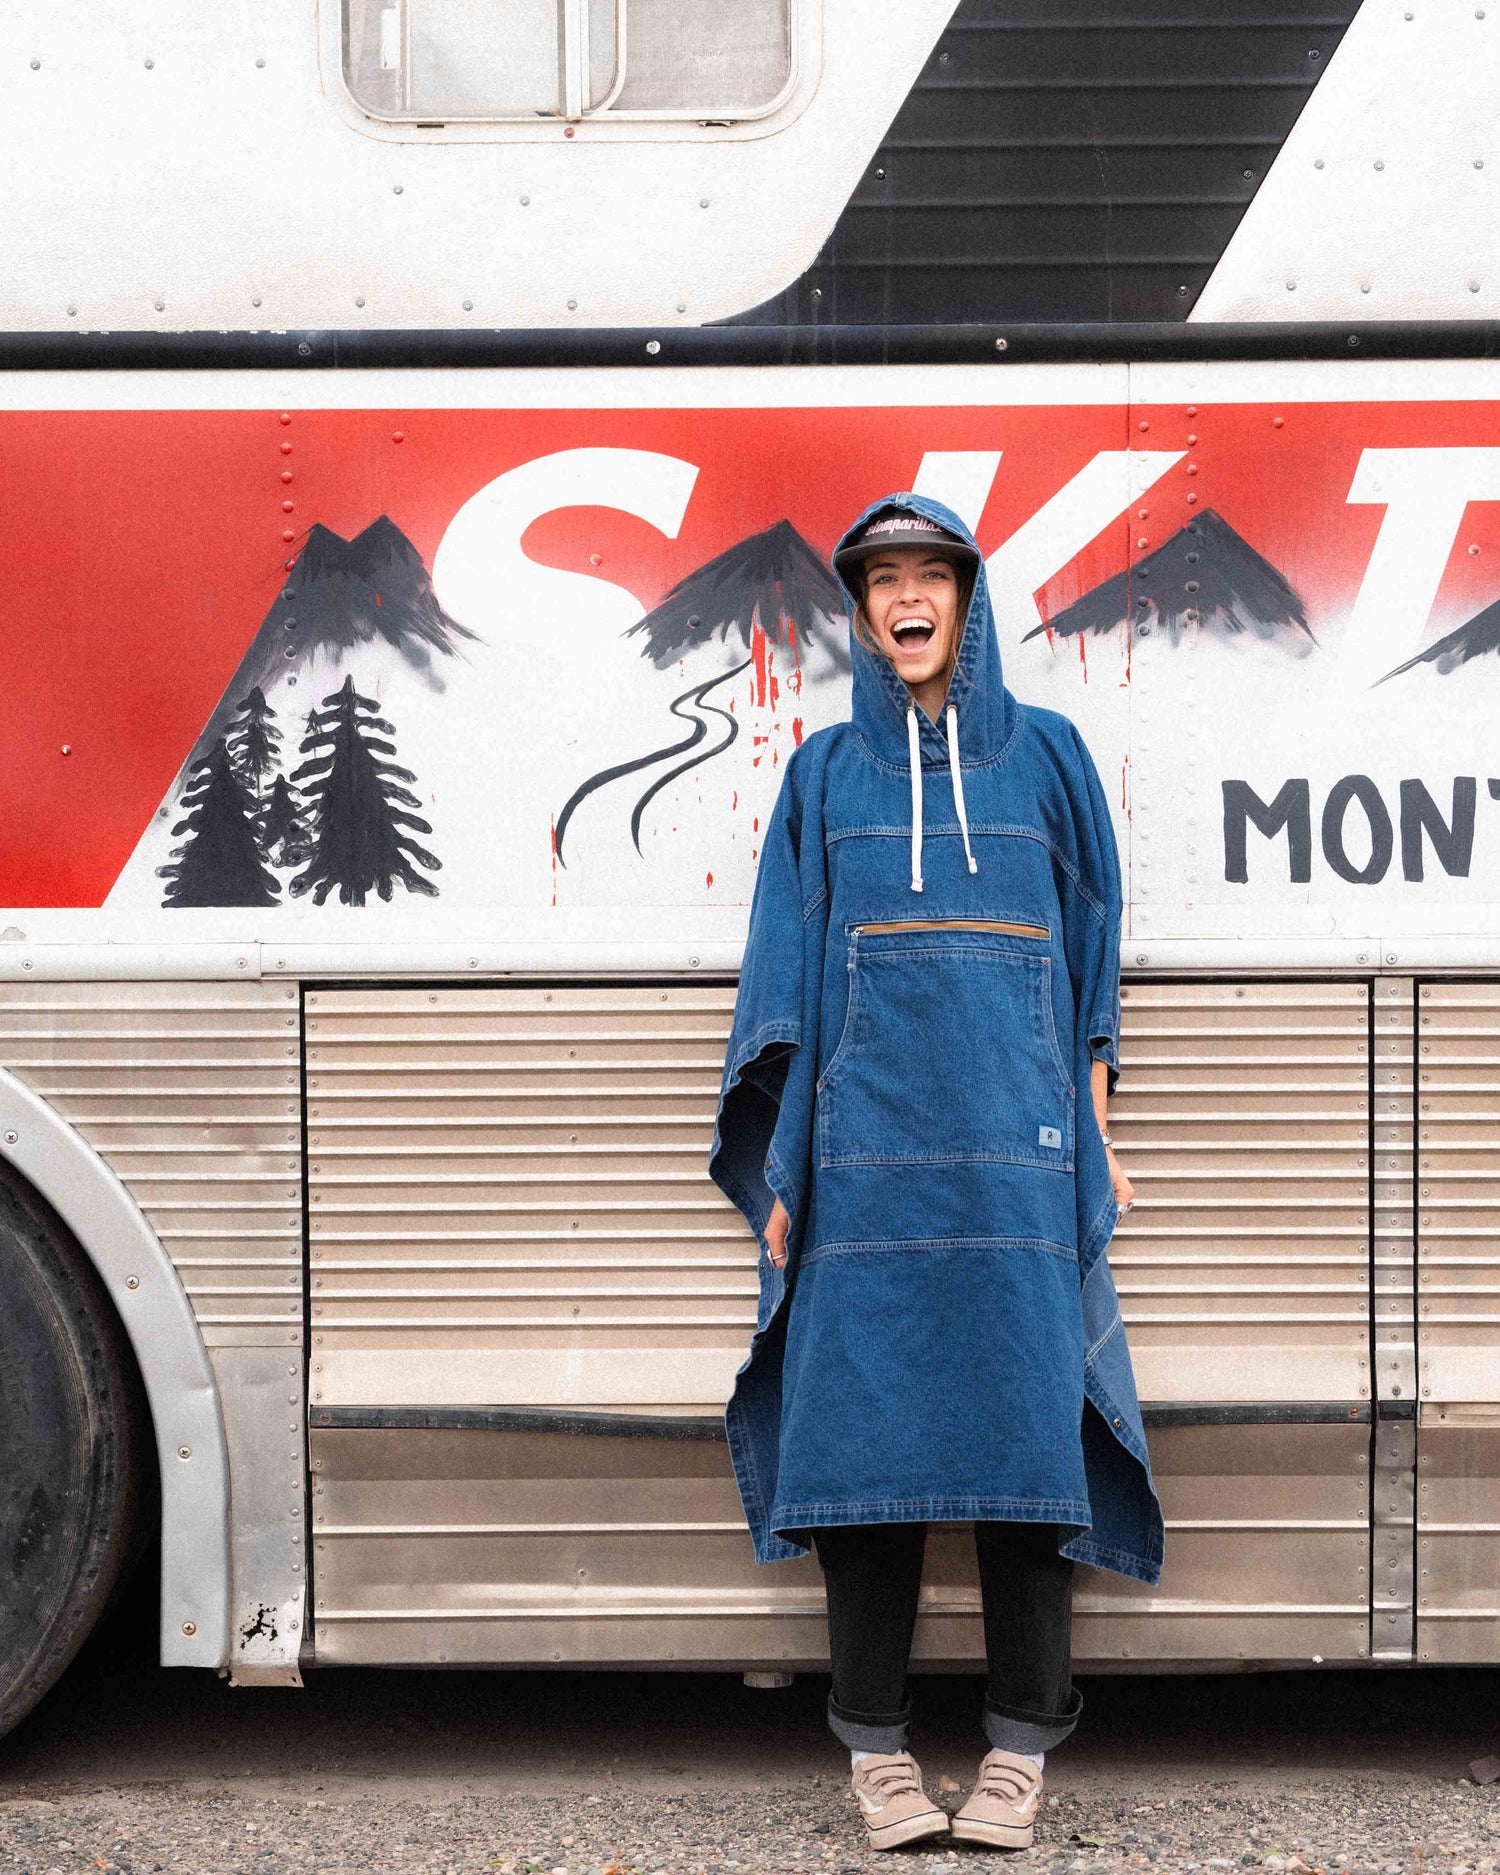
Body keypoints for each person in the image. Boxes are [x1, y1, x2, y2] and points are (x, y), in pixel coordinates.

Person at [708, 495, 1164, 1851]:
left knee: (1028, 1442)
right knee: (869, 1451)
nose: (904, 598)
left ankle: (1022, 1746)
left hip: (1016, 1163)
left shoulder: (1051, 760)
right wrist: (781, 1168)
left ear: (967, 599)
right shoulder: (823, 775)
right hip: (862, 1169)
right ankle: (876, 1754)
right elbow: (783, 974)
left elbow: (1092, 943)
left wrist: (1093, 1116)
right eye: (880, 581)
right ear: (860, 612)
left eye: (929, 577)